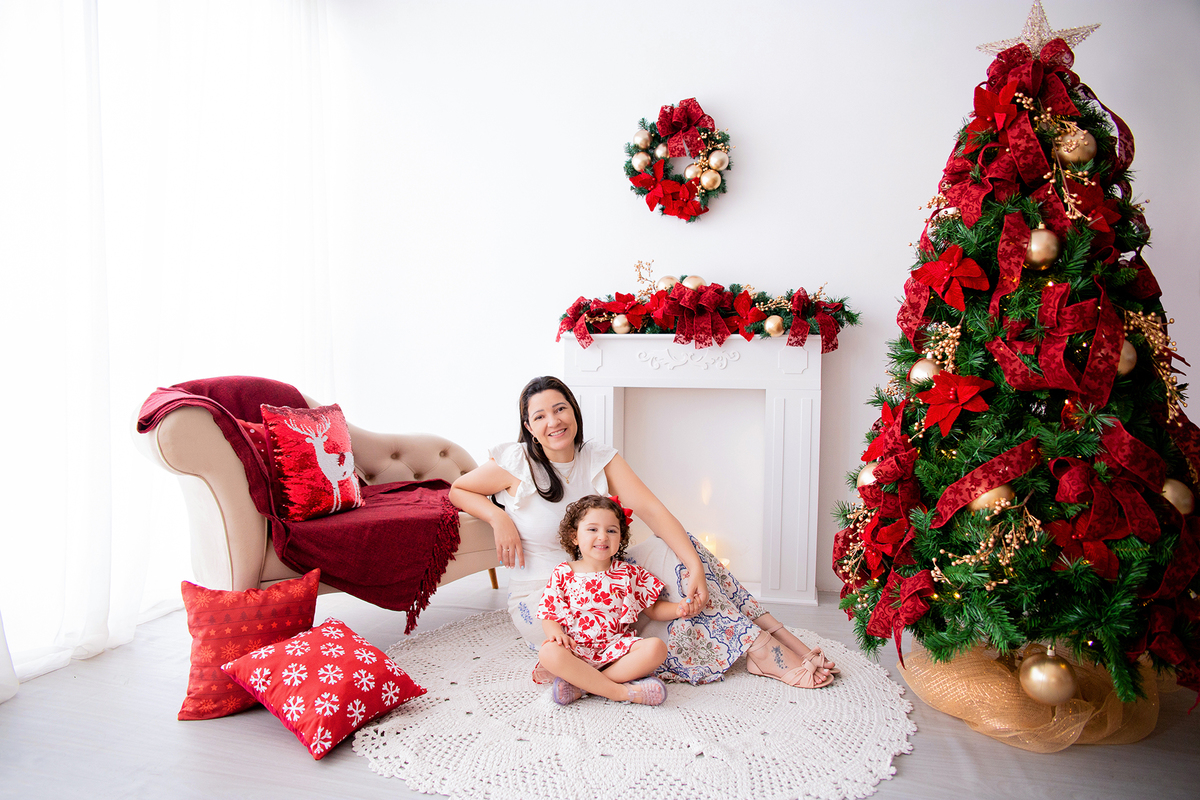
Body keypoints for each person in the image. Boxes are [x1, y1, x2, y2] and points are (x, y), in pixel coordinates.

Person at [449, 375, 834, 689]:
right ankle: (755, 651)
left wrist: (695, 567)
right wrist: (498, 517)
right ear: (529, 428)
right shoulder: (515, 462)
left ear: (575, 412)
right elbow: (459, 489)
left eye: (560, 408)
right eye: (540, 416)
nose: (553, 422)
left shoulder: (599, 457)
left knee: (685, 551)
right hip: (545, 594)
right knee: (634, 635)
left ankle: (770, 640)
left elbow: (652, 510)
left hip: (605, 571)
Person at [536, 495, 678, 706]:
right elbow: (549, 613)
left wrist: (680, 609)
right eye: (592, 529)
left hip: (617, 650)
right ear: (574, 537)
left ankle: (582, 686)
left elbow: (654, 610)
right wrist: (556, 634)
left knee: (656, 648)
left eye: (611, 530)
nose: (602, 536)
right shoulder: (564, 573)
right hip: (577, 650)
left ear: (620, 538)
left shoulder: (627, 573)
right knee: (548, 651)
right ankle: (620, 692)